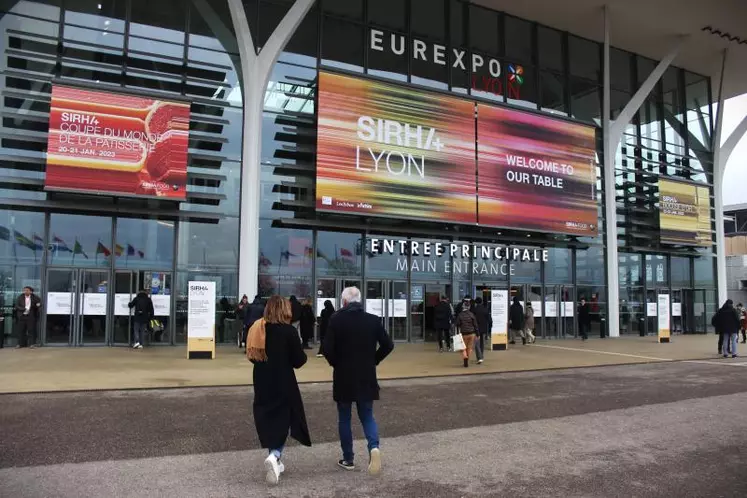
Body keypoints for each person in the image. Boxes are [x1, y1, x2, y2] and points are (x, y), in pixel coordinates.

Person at [323, 286, 394, 475]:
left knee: (344, 418)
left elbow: (327, 349)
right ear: (359, 300)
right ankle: (373, 447)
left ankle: (348, 458)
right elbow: (388, 344)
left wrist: (336, 363)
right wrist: (374, 359)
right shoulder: (372, 320)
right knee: (367, 416)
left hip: (343, 375)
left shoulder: (336, 320)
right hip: (366, 374)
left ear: (344, 302)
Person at [247, 295, 311, 485]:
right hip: (283, 378)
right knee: (284, 417)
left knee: (267, 416)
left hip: (261, 378)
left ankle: (275, 460)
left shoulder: (257, 328)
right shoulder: (288, 331)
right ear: (285, 310)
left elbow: (252, 355)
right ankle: (275, 455)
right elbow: (299, 361)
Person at [455, 298, 479, 367]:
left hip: (464, 333)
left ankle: (465, 357)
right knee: (469, 347)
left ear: (463, 306)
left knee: (463, 348)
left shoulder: (460, 315)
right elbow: (475, 324)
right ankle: (467, 359)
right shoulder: (472, 314)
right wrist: (477, 334)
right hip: (472, 333)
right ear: (469, 307)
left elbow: (457, 324)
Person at [473, 297, 491, 362]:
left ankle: (479, 357)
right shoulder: (485, 309)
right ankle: (482, 355)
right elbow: (489, 319)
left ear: (476, 303)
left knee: (477, 343)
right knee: (482, 343)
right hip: (483, 328)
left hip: (476, 329)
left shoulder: (474, 310)